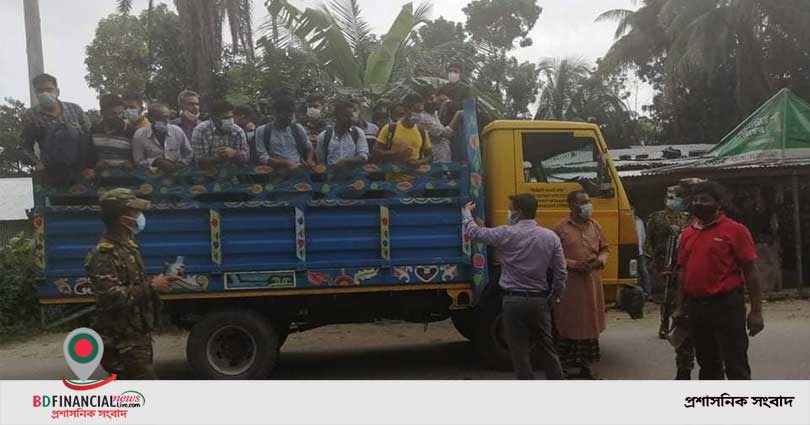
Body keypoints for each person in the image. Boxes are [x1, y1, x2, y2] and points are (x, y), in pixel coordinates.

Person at [463, 194, 566, 380]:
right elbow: (561, 273)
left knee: (518, 351)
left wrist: (466, 214)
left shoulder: (506, 234)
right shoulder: (551, 237)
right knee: (547, 347)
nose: (509, 212)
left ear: (518, 212)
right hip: (540, 300)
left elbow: (474, 233)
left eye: (511, 209)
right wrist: (553, 297)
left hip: (513, 301)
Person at [675, 181, 764, 380]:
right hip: (697, 307)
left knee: (735, 364)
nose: (699, 204)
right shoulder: (687, 234)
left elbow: (751, 272)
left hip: (726, 305)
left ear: (719, 203)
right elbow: (683, 272)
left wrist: (756, 312)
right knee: (707, 365)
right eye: (696, 200)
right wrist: (680, 307)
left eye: (704, 200)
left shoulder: (736, 230)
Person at [85, 188, 175, 379]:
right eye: (135, 212)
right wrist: (151, 287)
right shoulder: (103, 255)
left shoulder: (128, 247)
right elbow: (113, 297)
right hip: (122, 342)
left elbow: (134, 285)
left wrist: (159, 284)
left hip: (136, 337)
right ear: (121, 218)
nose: (139, 216)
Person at [553, 190, 610, 379]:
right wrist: (575, 264)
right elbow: (554, 256)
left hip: (592, 283)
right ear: (571, 206)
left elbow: (605, 249)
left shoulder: (595, 226)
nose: (587, 205)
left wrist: (599, 261)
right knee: (568, 323)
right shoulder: (560, 228)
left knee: (590, 324)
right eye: (582, 202)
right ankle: (563, 367)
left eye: (588, 201)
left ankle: (586, 366)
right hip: (570, 284)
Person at [19, 73, 92, 182]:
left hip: (82, 171)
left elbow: (90, 136)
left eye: (49, 89)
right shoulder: (31, 115)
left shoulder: (75, 110)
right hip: (52, 174)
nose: (44, 93)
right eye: (40, 91)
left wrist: (91, 164)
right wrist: (37, 163)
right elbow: (24, 147)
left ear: (57, 92)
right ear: (35, 93)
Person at [645, 186, 690, 329]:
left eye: (677, 198)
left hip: (682, 261)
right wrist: (651, 260)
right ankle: (664, 323)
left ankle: (677, 323)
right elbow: (649, 241)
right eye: (670, 197)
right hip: (662, 261)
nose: (673, 201)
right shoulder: (656, 218)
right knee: (666, 295)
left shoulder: (687, 218)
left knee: (680, 293)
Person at [255, 95, 315, 171]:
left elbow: (309, 147)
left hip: (299, 169)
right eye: (284, 118)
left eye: (290, 117)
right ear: (275, 113)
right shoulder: (262, 130)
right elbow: (263, 157)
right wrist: (286, 163)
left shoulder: (297, 128)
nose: (288, 120)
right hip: (275, 171)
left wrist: (309, 160)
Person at [373, 93, 433, 165]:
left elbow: (429, 156)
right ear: (406, 109)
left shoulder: (422, 131)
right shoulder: (390, 129)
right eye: (416, 111)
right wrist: (398, 153)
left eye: (421, 111)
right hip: (391, 174)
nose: (419, 115)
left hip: (417, 175)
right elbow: (376, 152)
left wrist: (418, 162)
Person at [132, 103, 193, 172]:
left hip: (177, 174)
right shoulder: (140, 135)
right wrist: (155, 162)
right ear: (150, 119)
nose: (167, 120)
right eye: (162, 118)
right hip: (151, 177)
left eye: (168, 117)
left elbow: (189, 154)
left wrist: (180, 163)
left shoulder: (177, 131)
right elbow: (138, 162)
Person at [191, 100, 249, 169]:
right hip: (205, 175)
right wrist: (217, 158)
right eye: (226, 118)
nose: (230, 121)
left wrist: (234, 153)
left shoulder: (237, 131)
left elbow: (246, 157)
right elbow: (198, 161)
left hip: (233, 174)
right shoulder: (201, 131)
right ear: (215, 118)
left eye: (231, 117)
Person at [412, 90, 463, 162]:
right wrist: (458, 115)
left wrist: (443, 106)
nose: (433, 101)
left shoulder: (433, 115)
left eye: (433, 98)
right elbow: (446, 133)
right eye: (430, 99)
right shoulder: (422, 119)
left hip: (444, 158)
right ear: (423, 103)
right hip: (435, 159)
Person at [316, 98, 369, 167]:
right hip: (332, 175)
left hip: (354, 175)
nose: (350, 120)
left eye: (351, 116)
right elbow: (321, 161)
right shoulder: (324, 136)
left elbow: (363, 157)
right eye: (346, 116)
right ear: (337, 115)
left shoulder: (358, 133)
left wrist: (347, 162)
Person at [91, 94, 133, 169]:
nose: (118, 117)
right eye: (113, 114)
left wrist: (131, 163)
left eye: (120, 114)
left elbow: (139, 159)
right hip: (99, 178)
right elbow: (89, 157)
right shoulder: (93, 130)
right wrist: (95, 163)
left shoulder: (131, 131)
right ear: (102, 113)